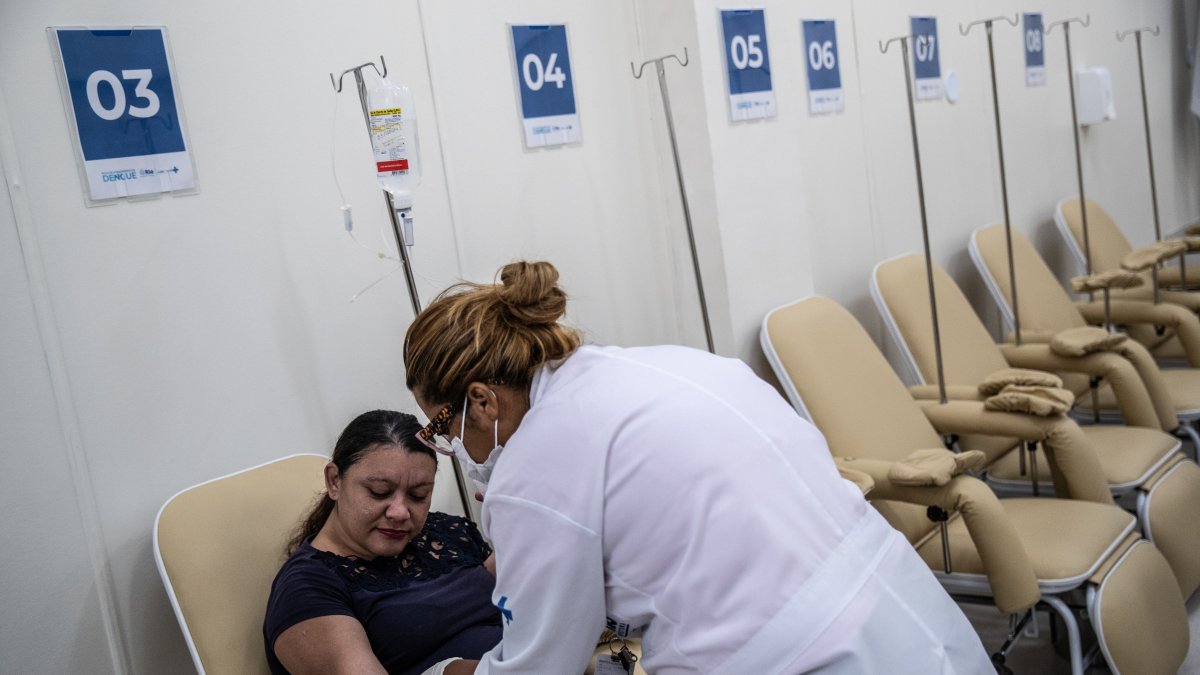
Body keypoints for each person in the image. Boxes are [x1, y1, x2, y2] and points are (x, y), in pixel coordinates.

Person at [404, 261, 994, 674]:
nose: (450, 445)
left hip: (786, 655)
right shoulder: (660, 366)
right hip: (905, 604)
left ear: (482, 400)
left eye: (441, 425)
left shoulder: (534, 469)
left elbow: (541, 664)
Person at [263, 410, 501, 675]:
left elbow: (506, 593)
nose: (400, 512)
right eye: (379, 492)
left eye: (418, 495)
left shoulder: (442, 532)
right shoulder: (306, 588)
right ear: (334, 481)